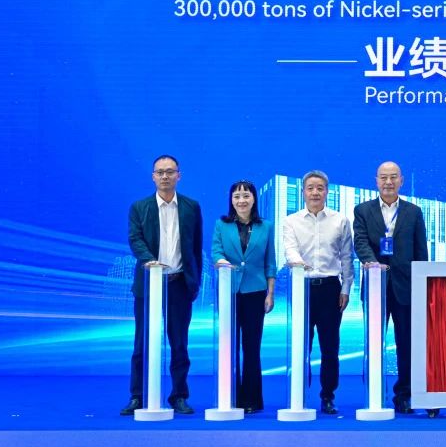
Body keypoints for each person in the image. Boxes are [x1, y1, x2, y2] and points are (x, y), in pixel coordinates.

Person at [122, 155, 203, 416]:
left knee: (179, 344)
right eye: (160, 172)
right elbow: (135, 239)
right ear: (153, 176)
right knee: (142, 343)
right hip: (149, 285)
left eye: (170, 172)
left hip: (179, 284)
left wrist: (195, 282)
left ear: (179, 175)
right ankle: (138, 396)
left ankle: (179, 396)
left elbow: (196, 248)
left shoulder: (191, 207)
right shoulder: (139, 207)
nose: (165, 176)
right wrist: (150, 261)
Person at [353, 161, 429, 414]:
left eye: (393, 177)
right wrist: (372, 263)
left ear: (401, 181)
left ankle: (404, 395)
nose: (388, 182)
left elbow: (421, 252)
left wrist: (423, 285)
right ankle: (375, 393)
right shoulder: (362, 210)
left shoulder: (413, 212)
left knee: (406, 344)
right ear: (376, 181)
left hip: (406, 288)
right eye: (384, 177)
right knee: (374, 343)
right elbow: (360, 242)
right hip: (376, 286)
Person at [282, 170, 354, 415]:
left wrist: (346, 288)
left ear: (327, 192)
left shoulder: (340, 220)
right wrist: (299, 264)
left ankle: (328, 396)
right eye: (310, 188)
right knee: (302, 346)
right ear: (303, 192)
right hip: (302, 288)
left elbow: (347, 258)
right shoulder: (291, 221)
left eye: (320, 188)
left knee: (330, 347)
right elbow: (290, 250)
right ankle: (299, 393)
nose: (315, 192)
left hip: (331, 289)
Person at [210, 180, 276, 414]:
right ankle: (230, 395)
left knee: (251, 346)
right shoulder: (222, 224)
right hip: (229, 292)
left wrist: (270, 293)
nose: (241, 200)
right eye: (236, 196)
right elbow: (216, 251)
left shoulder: (265, 226)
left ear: (254, 199)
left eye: (246, 195)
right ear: (231, 200)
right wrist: (222, 262)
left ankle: (251, 399)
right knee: (230, 345)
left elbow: (270, 262)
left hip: (255, 292)